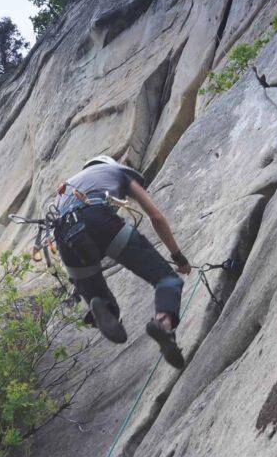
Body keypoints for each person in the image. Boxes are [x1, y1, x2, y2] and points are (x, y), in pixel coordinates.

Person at [52, 155, 192, 368]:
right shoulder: (119, 173)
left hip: (63, 235)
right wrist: (177, 256)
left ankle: (99, 303)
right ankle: (163, 325)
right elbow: (156, 217)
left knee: (103, 304)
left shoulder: (66, 188)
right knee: (166, 280)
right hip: (98, 218)